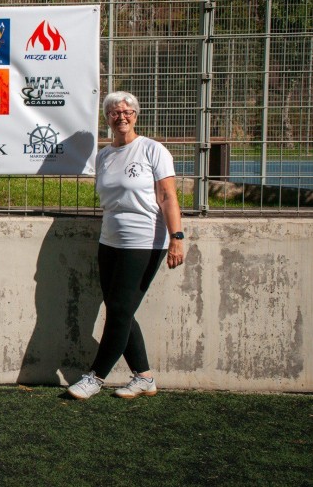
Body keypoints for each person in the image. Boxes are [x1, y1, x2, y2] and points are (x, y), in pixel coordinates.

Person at [67, 91, 184, 400]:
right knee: (121, 309)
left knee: (119, 309)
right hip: (110, 240)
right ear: (106, 119)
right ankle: (144, 377)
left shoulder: (152, 150)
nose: (121, 116)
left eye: (127, 111)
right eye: (114, 112)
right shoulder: (104, 155)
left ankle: (96, 376)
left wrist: (177, 237)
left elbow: (168, 196)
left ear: (136, 115)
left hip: (145, 240)